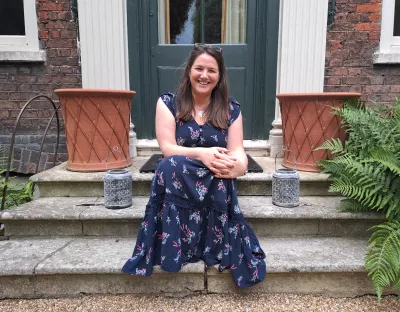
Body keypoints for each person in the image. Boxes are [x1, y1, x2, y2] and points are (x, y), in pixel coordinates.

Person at [122, 43, 266, 288]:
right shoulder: (168, 103)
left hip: (213, 176)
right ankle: (178, 246)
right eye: (199, 68)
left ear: (219, 76)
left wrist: (238, 167)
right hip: (182, 171)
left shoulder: (231, 110)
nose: (204, 75)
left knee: (222, 170)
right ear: (189, 70)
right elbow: (167, 147)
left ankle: (213, 244)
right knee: (168, 165)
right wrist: (202, 154)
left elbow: (238, 152)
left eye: (212, 70)